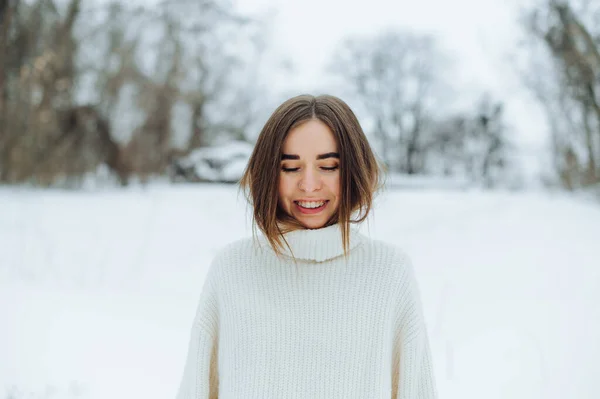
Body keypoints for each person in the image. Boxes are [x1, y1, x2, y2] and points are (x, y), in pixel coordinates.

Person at [175, 94, 437, 399]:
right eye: (290, 168)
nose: (309, 184)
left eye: (328, 166)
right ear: (269, 174)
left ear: (353, 170)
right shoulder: (233, 269)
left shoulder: (389, 272)